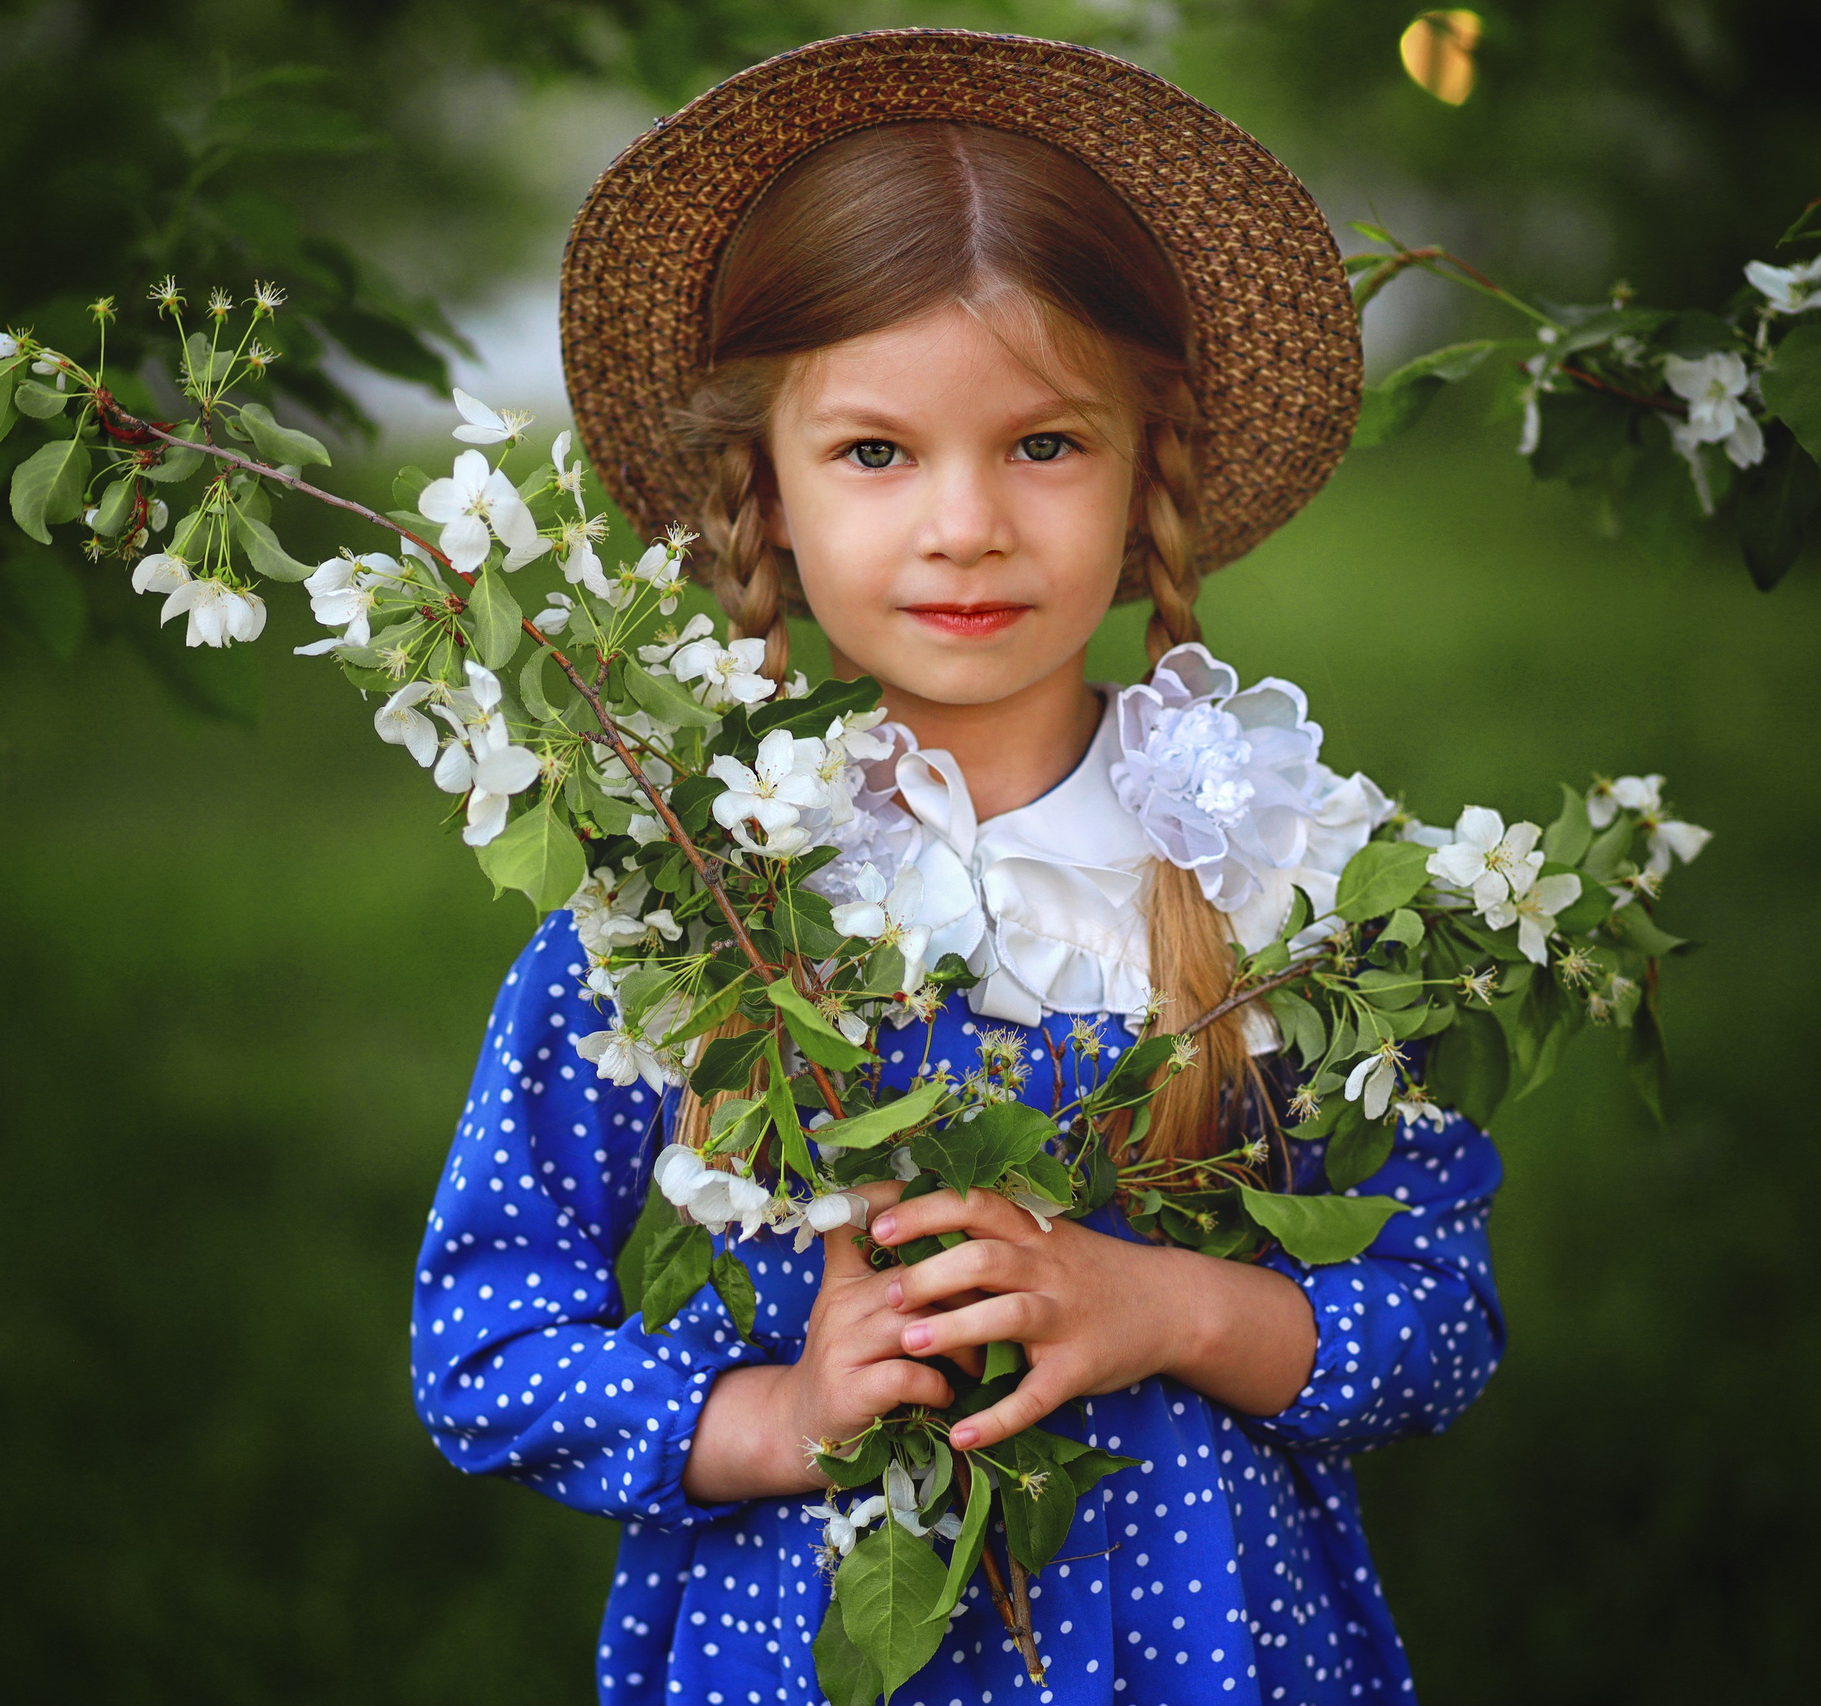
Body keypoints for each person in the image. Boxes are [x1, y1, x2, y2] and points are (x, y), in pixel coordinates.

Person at [413, 31, 1504, 1704]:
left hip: (1198, 1644)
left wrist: (1168, 1309)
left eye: (1044, 444)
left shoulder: (1281, 870)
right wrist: (780, 1415)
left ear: (1149, 465)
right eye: (876, 452)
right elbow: (485, 1333)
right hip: (804, 1639)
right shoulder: (688, 904)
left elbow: (1438, 1316)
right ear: (762, 492)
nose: (966, 522)